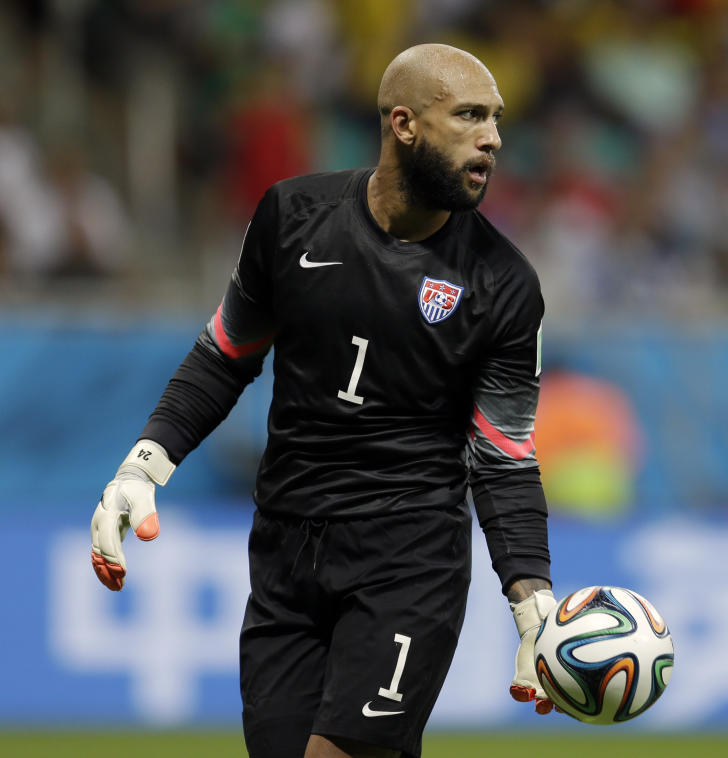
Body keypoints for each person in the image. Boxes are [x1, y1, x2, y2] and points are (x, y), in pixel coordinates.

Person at [89, 43, 556, 758]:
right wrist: (142, 467)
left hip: (409, 558)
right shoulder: (292, 216)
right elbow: (225, 356)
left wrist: (531, 598)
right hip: (286, 552)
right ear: (404, 124)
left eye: (494, 119)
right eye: (468, 116)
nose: (492, 137)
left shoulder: (503, 285)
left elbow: (502, 457)